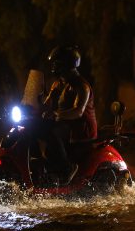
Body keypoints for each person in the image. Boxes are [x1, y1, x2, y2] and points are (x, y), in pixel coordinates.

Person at [39, 46, 97, 184]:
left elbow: (78, 111)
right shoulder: (58, 83)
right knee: (37, 129)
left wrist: (55, 114)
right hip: (65, 123)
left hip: (81, 129)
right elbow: (46, 104)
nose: (53, 65)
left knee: (52, 132)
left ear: (66, 64)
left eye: (56, 62)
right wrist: (34, 104)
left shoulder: (82, 86)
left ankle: (67, 168)